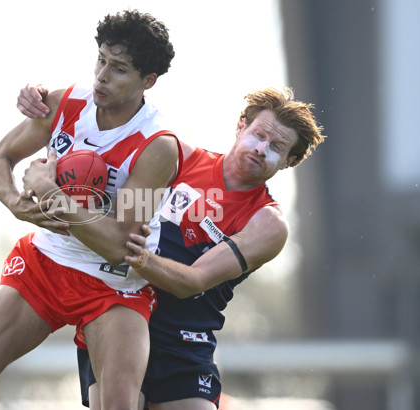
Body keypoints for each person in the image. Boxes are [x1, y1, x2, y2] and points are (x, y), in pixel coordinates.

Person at [17, 85, 326, 409]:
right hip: (117, 314)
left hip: (184, 339)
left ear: (290, 161)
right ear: (241, 126)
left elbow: (192, 282)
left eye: (276, 146)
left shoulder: (267, 222)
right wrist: (48, 100)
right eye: (259, 134)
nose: (262, 148)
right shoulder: (177, 158)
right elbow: (114, 120)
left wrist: (129, 253)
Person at [0, 10, 181, 410]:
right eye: (101, 59)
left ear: (148, 82)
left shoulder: (157, 145)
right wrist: (17, 204)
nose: (102, 75)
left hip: (113, 284)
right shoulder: (65, 102)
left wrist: (51, 194)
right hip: (47, 264)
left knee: (119, 406)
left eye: (119, 69)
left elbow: (120, 246)